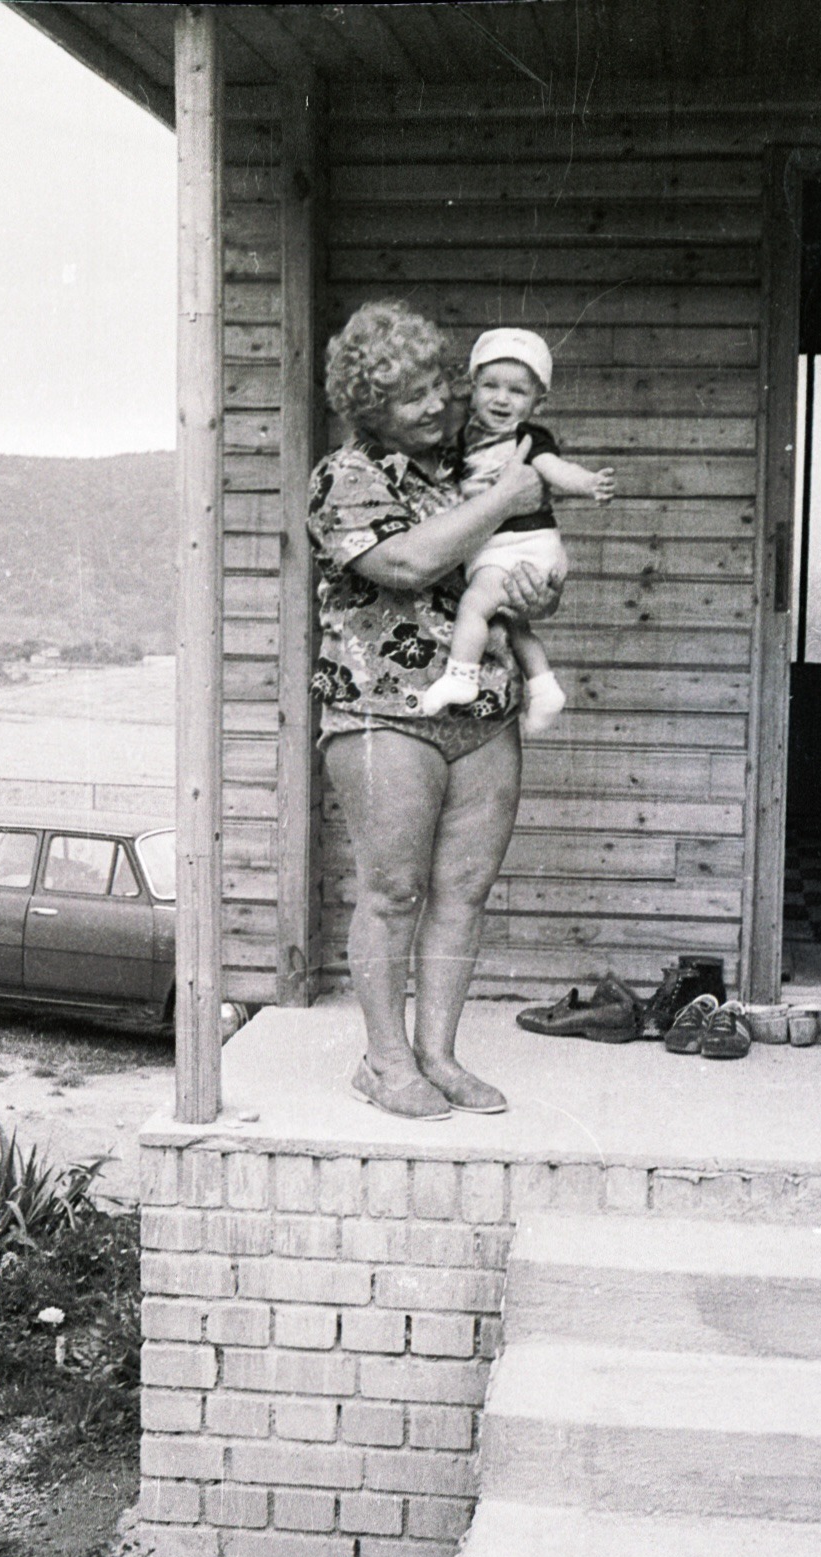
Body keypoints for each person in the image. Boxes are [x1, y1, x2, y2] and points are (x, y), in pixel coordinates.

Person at [308, 300, 563, 1121]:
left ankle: (438, 1055)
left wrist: (540, 585)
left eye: (435, 387)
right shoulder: (344, 478)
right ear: (369, 406)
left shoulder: (468, 462)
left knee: (464, 889)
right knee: (391, 892)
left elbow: (517, 560)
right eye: (411, 396)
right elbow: (411, 562)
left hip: (484, 705)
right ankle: (383, 1062)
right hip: (381, 712)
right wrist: (506, 496)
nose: (435, 405)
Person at [421, 327, 615, 734]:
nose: (501, 399)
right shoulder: (469, 437)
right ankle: (544, 688)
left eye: (517, 391)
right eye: (490, 386)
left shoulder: (525, 437)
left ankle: (460, 678)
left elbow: (552, 470)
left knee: (475, 606)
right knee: (514, 625)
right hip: (513, 545)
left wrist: (586, 483)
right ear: (471, 389)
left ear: (537, 403)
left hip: (518, 542)